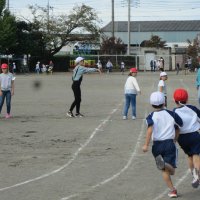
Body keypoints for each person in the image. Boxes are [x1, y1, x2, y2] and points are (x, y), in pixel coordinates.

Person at [142, 91, 183, 198]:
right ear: (164, 102)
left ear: (151, 104)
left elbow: (150, 129)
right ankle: (167, 165)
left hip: (156, 146)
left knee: (164, 170)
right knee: (172, 170)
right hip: (169, 144)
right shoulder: (171, 114)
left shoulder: (150, 116)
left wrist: (146, 145)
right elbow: (179, 126)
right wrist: (175, 139)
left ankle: (172, 190)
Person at [173, 88, 200, 188]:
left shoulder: (174, 111)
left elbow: (175, 126)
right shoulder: (192, 108)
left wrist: (174, 139)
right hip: (194, 135)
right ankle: (197, 175)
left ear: (174, 100)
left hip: (182, 138)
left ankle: (193, 174)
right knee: (196, 154)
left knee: (189, 155)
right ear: (187, 99)